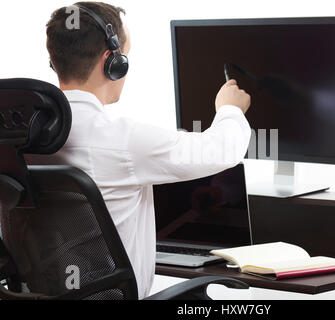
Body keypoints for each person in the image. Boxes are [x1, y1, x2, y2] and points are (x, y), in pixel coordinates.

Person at [27, 1, 251, 299]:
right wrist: (230, 110)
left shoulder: (24, 136)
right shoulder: (122, 140)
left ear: (55, 61)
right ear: (112, 62)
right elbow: (220, 150)